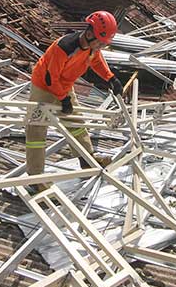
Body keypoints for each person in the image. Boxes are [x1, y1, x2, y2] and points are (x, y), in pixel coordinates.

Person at [26, 11, 124, 186]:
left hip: (64, 85)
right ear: (89, 33)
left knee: (76, 123)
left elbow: (96, 61)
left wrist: (111, 78)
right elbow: (51, 78)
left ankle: (86, 158)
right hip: (43, 86)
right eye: (100, 42)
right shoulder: (65, 47)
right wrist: (63, 99)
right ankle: (35, 178)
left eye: (104, 44)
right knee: (37, 130)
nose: (101, 46)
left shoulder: (93, 48)